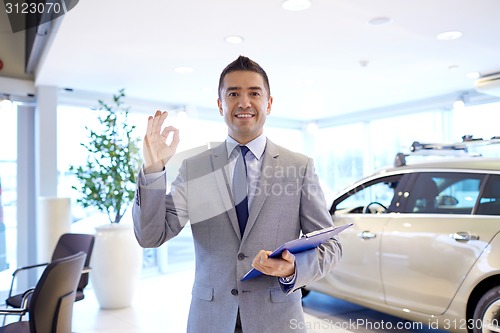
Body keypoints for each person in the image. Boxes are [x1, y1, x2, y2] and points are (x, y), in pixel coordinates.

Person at [133, 55, 342, 333]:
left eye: (254, 93)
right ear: (220, 105)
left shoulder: (298, 167)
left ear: (268, 103)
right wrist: (153, 170)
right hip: (211, 319)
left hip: (277, 320)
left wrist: (293, 269)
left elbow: (330, 246)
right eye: (233, 94)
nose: (244, 102)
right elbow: (151, 236)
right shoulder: (195, 168)